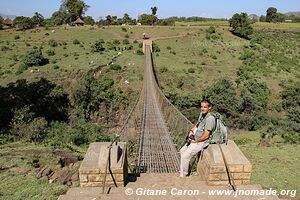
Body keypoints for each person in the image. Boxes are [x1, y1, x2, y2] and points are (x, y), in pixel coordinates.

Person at [179, 99, 215, 177]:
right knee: (182, 151)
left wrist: (195, 141)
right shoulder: (202, 114)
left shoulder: (210, 119)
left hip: (201, 141)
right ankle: (186, 170)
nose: (203, 109)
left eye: (205, 107)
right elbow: (198, 124)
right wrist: (192, 130)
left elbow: (206, 135)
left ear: (210, 107)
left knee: (185, 156)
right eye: (201, 107)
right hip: (196, 138)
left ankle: (183, 175)